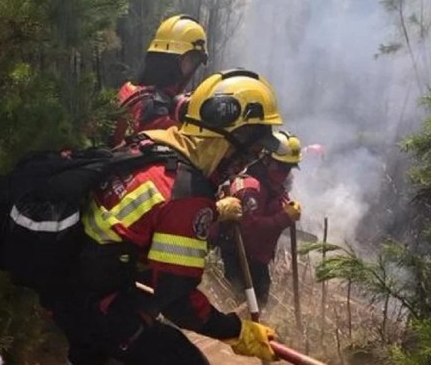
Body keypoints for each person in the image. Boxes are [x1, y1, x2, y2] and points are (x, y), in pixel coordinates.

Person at [51, 69, 284, 365]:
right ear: (232, 136)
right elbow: (179, 301)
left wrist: (212, 211)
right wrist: (239, 333)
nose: (246, 163)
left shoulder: (154, 145)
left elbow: (148, 219)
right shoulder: (187, 193)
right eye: (251, 151)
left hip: (71, 285)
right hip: (94, 303)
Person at [217, 130, 304, 309]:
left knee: (260, 304)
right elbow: (252, 229)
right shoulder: (251, 188)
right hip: (242, 259)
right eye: (282, 167)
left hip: (258, 259)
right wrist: (284, 217)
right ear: (267, 160)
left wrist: (288, 207)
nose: (285, 173)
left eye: (289, 168)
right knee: (244, 307)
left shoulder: (272, 185)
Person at [111, 15, 208, 146]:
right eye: (191, 60)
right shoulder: (155, 110)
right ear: (173, 62)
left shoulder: (129, 90)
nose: (192, 69)